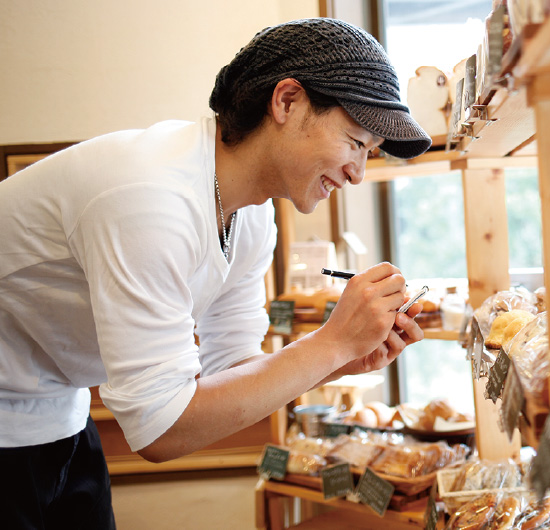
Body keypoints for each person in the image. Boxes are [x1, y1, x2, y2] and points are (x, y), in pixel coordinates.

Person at [0, 17, 431, 528]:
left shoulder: (251, 214)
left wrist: (341, 357)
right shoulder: (149, 198)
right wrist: (331, 344)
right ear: (287, 102)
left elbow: (233, 370)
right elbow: (161, 432)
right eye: (355, 142)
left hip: (57, 410)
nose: (358, 173)